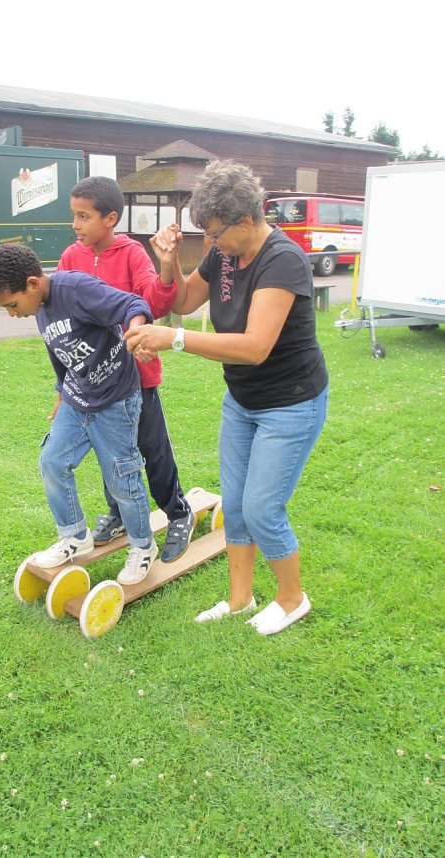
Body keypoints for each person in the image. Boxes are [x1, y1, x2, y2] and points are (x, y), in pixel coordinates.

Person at [125, 161, 329, 635]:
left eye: (215, 233)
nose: (210, 242)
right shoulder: (224, 254)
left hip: (291, 404)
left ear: (247, 220)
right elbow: (184, 302)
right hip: (242, 401)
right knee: (234, 504)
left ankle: (292, 598)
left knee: (262, 509)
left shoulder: (283, 259)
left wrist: (173, 339)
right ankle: (239, 599)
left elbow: (255, 347)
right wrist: (169, 262)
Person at [0, 242, 158, 586]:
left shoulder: (76, 289)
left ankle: (142, 547)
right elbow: (59, 353)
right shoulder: (40, 308)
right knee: (52, 461)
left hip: (115, 400)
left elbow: (133, 304)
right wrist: (62, 393)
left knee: (122, 478)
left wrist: (137, 332)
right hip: (77, 400)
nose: (12, 314)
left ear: (32, 284)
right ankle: (75, 536)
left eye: (12, 305)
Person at [57, 176, 195, 563]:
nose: (76, 224)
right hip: (96, 382)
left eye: (84, 216)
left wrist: (167, 268)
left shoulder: (131, 253)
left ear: (110, 218)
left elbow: (153, 301)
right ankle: (118, 513)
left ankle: (178, 513)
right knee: (110, 452)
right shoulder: (72, 258)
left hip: (138, 376)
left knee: (152, 449)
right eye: (75, 216)